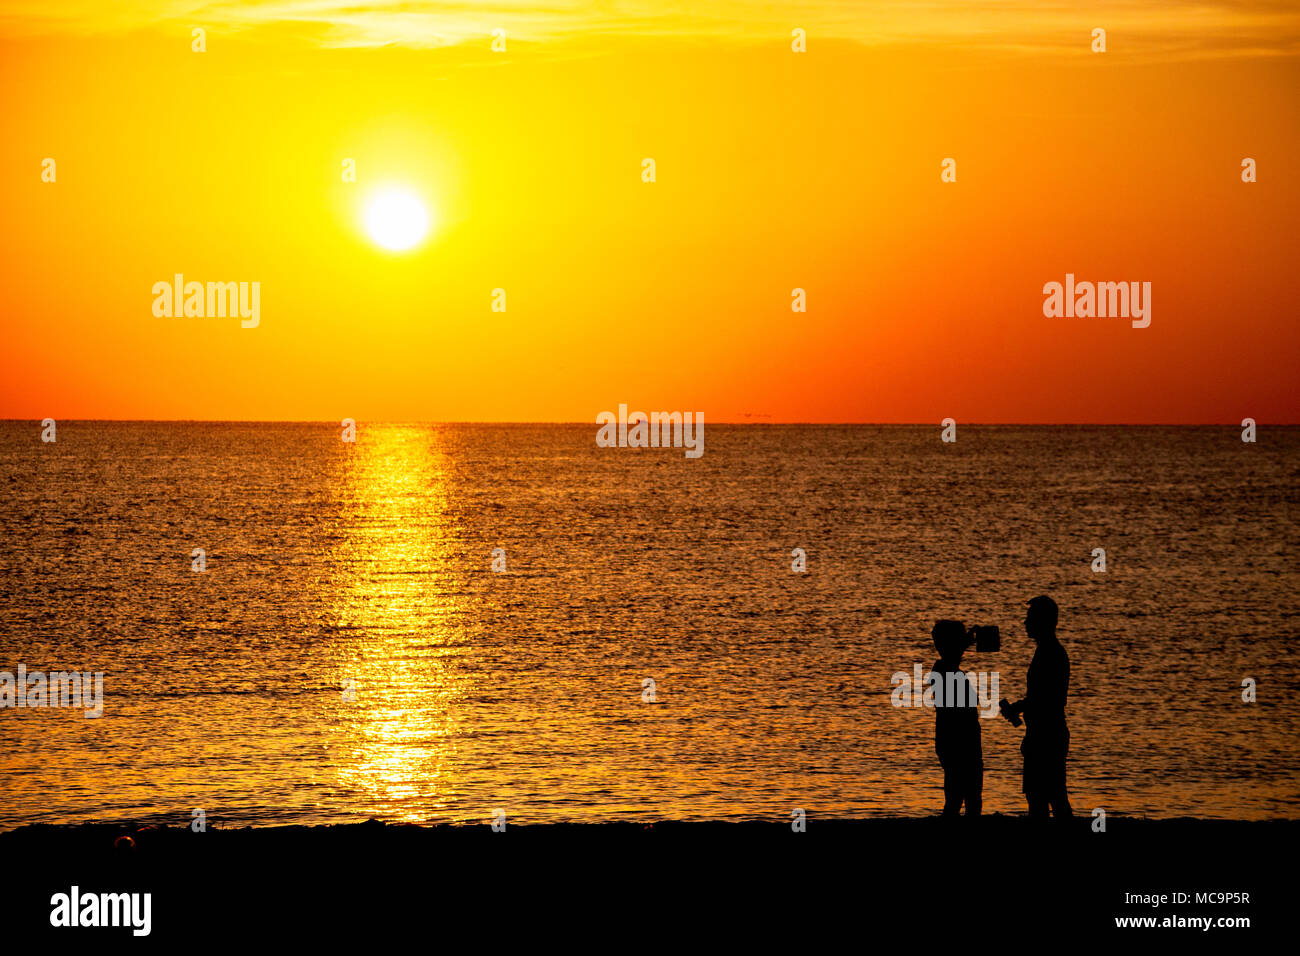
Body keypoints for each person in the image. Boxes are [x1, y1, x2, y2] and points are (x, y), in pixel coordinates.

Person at [1000, 595, 1073, 819]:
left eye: (1030, 617)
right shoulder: (1048, 651)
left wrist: (1018, 707)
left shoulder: (1050, 653)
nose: (1025, 622)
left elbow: (1046, 698)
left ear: (1043, 621)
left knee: (1046, 796)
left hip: (1046, 734)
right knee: (1046, 794)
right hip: (1044, 731)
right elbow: (1043, 696)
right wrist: (1021, 707)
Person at [929, 620, 983, 817]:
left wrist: (965, 641)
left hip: (955, 742)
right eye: (959, 643)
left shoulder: (944, 670)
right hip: (959, 744)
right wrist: (965, 641)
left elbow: (951, 654)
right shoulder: (944, 671)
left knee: (961, 796)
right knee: (963, 797)